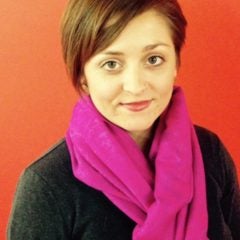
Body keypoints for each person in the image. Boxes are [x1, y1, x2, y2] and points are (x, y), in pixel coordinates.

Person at [7, 0, 240, 239]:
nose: (136, 86)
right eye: (111, 64)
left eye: (153, 59)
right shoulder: (47, 185)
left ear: (175, 64)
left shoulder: (209, 152)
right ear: (83, 76)